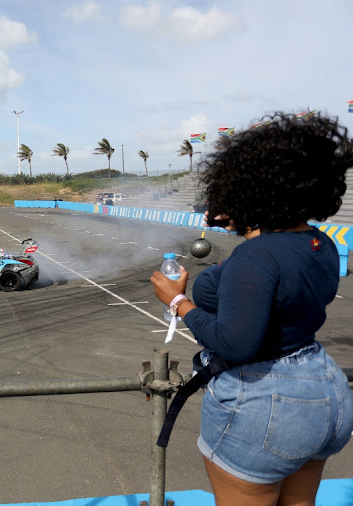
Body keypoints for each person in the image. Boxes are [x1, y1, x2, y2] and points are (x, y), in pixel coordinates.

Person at [151, 111, 353, 505]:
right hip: (326, 388)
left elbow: (235, 343)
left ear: (250, 188)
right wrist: (246, 224)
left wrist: (178, 301)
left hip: (267, 401)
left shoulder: (256, 256)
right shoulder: (320, 243)